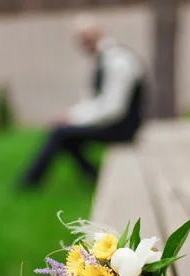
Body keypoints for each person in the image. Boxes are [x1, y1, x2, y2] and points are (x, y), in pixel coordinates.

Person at [19, 15, 146, 189]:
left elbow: (113, 109)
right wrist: (70, 115)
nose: (81, 44)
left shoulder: (118, 60)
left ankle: (28, 183)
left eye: (84, 39)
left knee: (60, 134)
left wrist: (72, 117)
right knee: (65, 135)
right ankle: (92, 175)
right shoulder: (104, 59)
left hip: (123, 129)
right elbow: (96, 101)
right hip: (116, 123)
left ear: (96, 35)